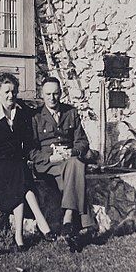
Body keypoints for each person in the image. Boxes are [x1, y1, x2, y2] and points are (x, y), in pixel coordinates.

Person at [0, 72, 56, 252]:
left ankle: (19, 236)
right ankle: (41, 221)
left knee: (18, 168)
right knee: (18, 170)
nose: (11, 96)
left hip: (14, 163)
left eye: (14, 92)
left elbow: (38, 120)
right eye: (7, 91)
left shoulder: (22, 111)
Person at [30, 77, 97, 241]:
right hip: (48, 165)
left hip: (68, 160)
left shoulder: (71, 112)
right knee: (77, 170)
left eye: (55, 93)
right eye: (48, 94)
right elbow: (31, 150)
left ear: (61, 93)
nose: (52, 98)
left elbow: (82, 141)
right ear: (42, 94)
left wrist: (72, 152)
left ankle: (67, 218)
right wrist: (51, 157)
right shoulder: (35, 116)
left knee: (75, 163)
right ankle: (84, 222)